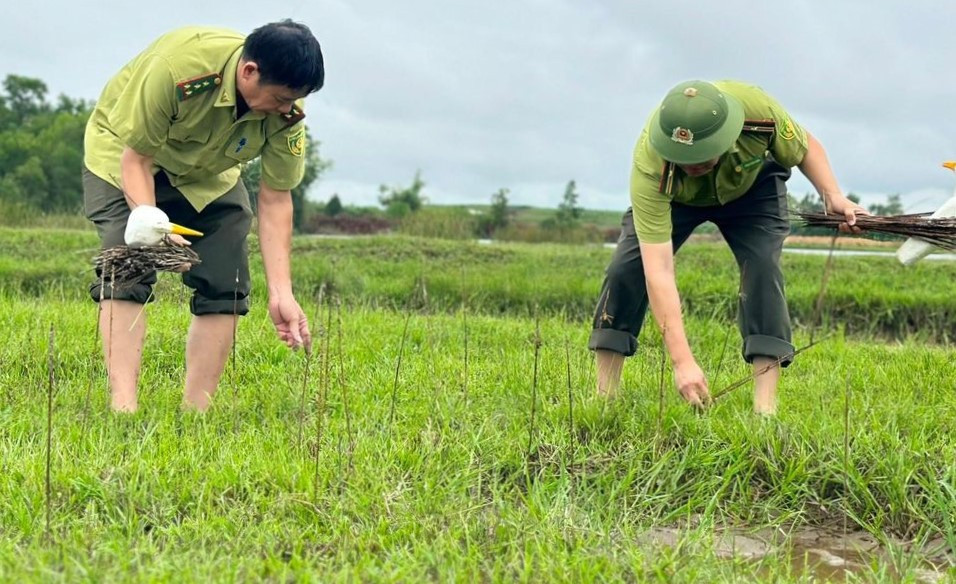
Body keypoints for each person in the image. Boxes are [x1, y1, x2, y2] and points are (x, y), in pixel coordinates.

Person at [83, 20, 324, 412]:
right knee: (128, 265)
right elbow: (137, 160)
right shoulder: (178, 70)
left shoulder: (288, 109)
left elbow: (277, 198)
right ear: (249, 72)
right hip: (126, 158)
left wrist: (282, 292)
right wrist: (151, 223)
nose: (287, 108)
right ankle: (123, 408)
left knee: (227, 279)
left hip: (207, 175)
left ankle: (197, 412)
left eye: (293, 100)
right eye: (281, 98)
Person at [588, 80, 865, 414]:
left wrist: (832, 195)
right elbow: (658, 271)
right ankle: (605, 399)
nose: (694, 165)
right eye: (685, 158)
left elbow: (805, 147)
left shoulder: (759, 113)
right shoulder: (650, 164)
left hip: (752, 189)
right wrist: (682, 362)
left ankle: (765, 411)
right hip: (678, 199)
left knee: (762, 268)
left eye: (702, 155)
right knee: (625, 269)